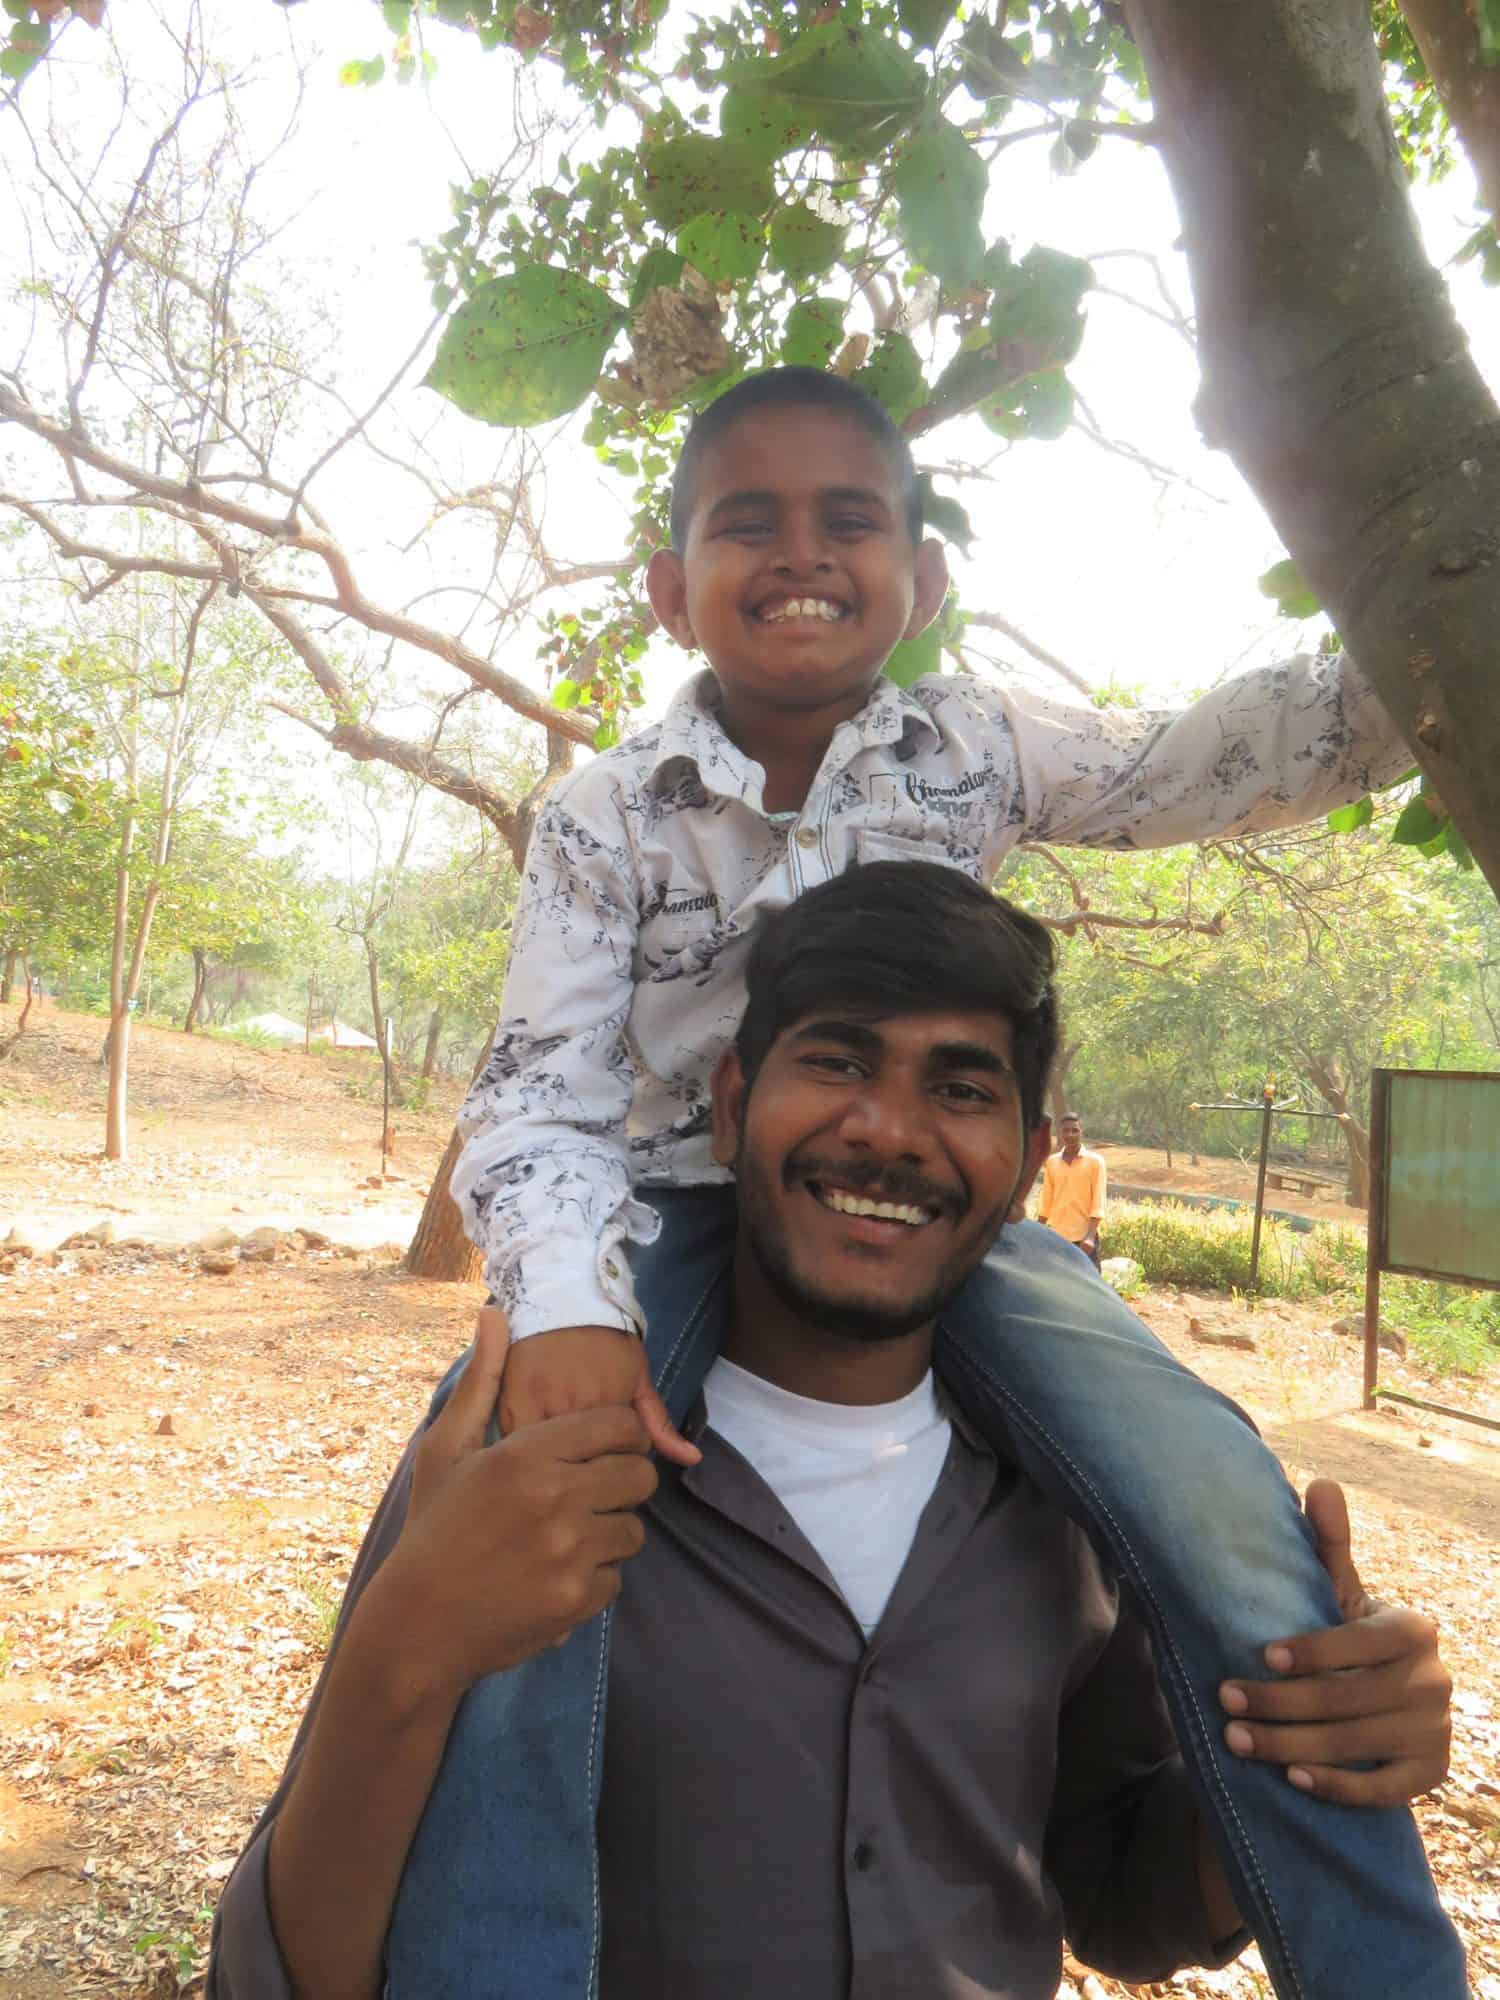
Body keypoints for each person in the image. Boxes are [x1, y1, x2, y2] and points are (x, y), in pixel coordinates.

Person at [430, 368, 1460, 1996]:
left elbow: (1203, 761)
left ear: (923, 577)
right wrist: (562, 1307)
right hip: (656, 1231)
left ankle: (1386, 1964)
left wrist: (1429, 639)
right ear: (667, 585)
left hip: (943, 1232)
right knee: (504, 1550)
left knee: (1224, 1497)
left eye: (852, 519)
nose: (800, 554)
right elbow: (537, 1091)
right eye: (742, 522)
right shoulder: (605, 815)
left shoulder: (974, 742)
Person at [208, 865, 1459, 2000]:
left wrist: (1313, 1757)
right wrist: (405, 1647)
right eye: (838, 1061)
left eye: (960, 1087)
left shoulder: (1081, 1490)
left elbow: (1121, 1901)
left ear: (1026, 1162)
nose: (889, 1129)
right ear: (732, 1101)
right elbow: (291, 1967)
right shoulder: (525, 1449)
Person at [1038, 1112, 1107, 1267]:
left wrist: (1089, 1237)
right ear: (1060, 1133)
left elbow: (1098, 1201)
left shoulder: (1095, 1162)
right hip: (1057, 1238)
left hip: (1084, 1240)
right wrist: (1037, 1231)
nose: (1070, 1135)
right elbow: (1046, 1201)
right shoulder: (1052, 1162)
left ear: (1081, 1131)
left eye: (1075, 1130)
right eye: (1066, 1130)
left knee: (1088, 1287)